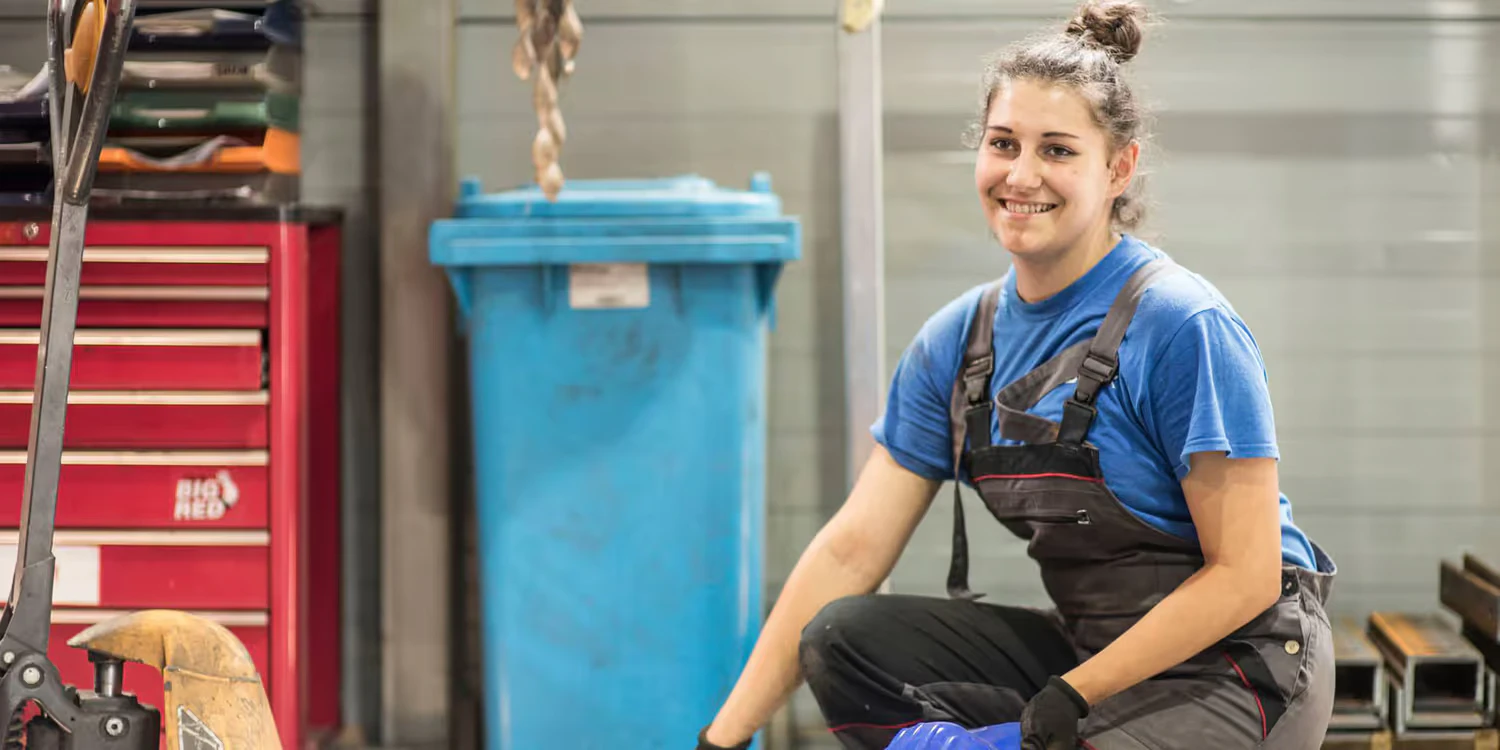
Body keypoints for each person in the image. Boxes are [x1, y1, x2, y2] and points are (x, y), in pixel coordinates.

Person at [695, 1, 1338, 749]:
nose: (1022, 175)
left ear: (1119, 168)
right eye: (1004, 143)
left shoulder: (1180, 325)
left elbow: (1246, 574)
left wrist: (1072, 695)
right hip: (1094, 652)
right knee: (845, 638)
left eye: (1057, 150)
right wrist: (722, 739)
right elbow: (850, 552)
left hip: (1240, 669)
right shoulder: (958, 344)